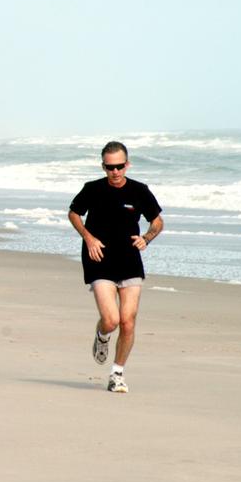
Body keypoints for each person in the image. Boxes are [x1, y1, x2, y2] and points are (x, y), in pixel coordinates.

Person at [67, 141, 164, 393]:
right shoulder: (92, 189)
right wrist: (88, 238)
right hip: (99, 259)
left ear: (127, 164)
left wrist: (147, 238)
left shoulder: (140, 191)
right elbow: (74, 213)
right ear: (103, 166)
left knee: (128, 321)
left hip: (130, 260)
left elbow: (157, 222)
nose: (115, 172)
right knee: (111, 320)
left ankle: (117, 373)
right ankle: (102, 335)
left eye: (120, 166)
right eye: (110, 167)